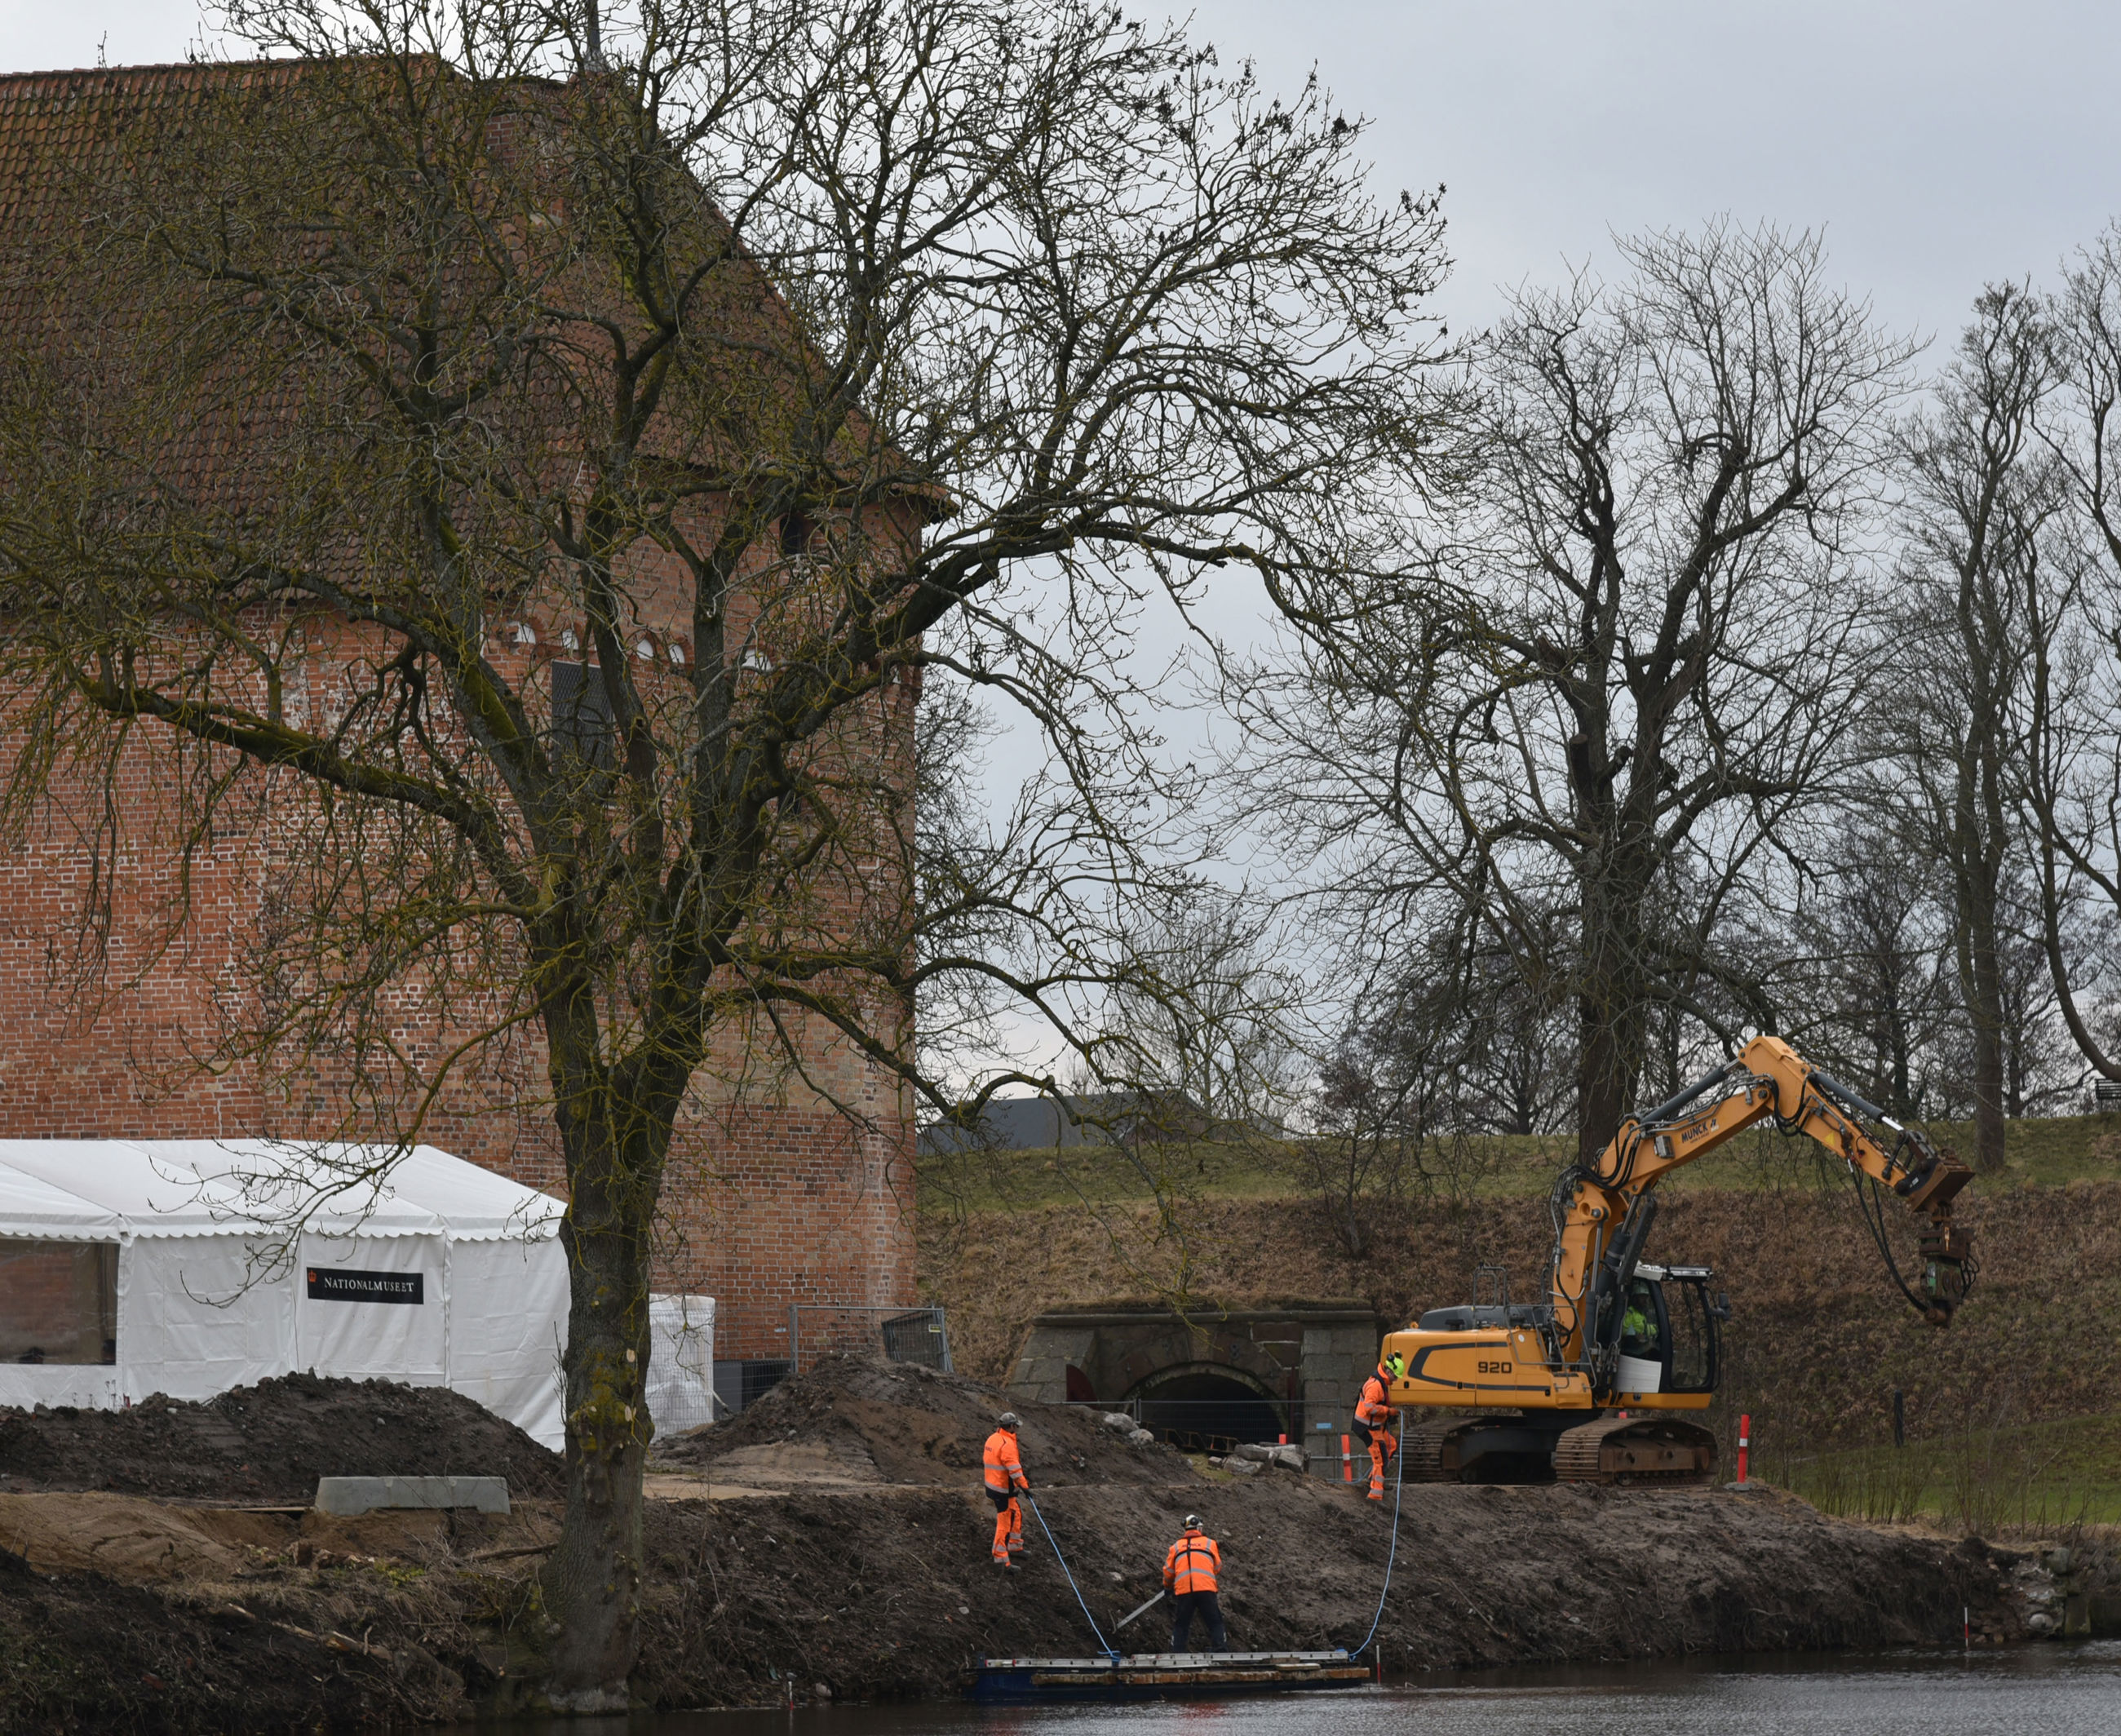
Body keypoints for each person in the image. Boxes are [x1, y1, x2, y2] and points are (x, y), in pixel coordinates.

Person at [1162, 1513, 1226, 1652]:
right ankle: (1220, 1649)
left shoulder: (1176, 1547)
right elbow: (1217, 1567)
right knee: (1215, 1621)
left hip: (1184, 1591)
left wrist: (1167, 1587)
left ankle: (1177, 1653)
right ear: (1199, 1528)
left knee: (1181, 1624)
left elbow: (1168, 1572)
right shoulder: (1210, 1543)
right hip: (1205, 1589)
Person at [1352, 1350, 1404, 1501]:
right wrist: (1388, 1411)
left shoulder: (1381, 1383)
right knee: (1380, 1459)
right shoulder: (1375, 1386)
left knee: (1391, 1445)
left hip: (1375, 1426)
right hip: (1366, 1428)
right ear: (1388, 1370)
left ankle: (1373, 1480)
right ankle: (1375, 1494)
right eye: (1395, 1376)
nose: (1395, 1380)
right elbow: (1369, 1407)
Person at [982, 1410, 1030, 1568]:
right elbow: (1014, 1469)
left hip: (994, 1485)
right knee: (1004, 1524)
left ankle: (1015, 1545)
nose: (1016, 1429)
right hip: (1003, 1489)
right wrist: (1025, 1487)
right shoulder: (1006, 1444)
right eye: (1015, 1426)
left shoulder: (992, 1439)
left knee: (1016, 1513)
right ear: (1010, 1426)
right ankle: (1000, 1558)